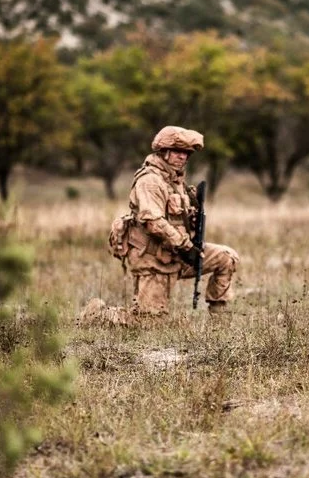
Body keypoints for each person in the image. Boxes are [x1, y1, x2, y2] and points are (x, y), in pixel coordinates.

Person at [81, 125, 239, 327]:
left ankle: (220, 320)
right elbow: (153, 222)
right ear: (163, 152)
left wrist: (191, 223)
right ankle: (98, 315)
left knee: (227, 257)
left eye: (187, 153)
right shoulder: (150, 181)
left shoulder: (176, 181)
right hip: (153, 259)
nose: (182, 156)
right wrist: (186, 247)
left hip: (178, 254)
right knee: (150, 322)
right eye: (177, 151)